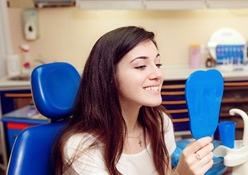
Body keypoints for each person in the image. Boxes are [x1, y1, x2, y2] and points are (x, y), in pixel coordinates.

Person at [53, 26, 214, 175]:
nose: (157, 74)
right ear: (109, 76)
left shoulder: (159, 123)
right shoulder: (82, 147)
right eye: (141, 66)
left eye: (158, 64)